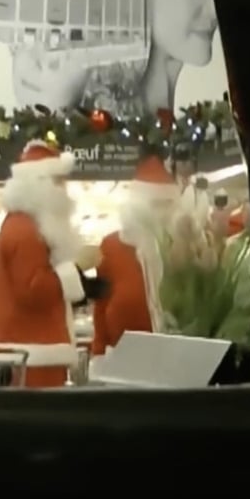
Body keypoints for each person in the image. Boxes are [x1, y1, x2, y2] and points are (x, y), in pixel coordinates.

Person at [0, 140, 107, 388]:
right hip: (31, 353)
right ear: (40, 186)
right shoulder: (25, 231)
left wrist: (85, 287)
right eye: (58, 182)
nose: (64, 190)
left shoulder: (30, 226)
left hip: (35, 349)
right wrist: (77, 267)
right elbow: (33, 290)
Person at [90, 153, 179, 369]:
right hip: (123, 361)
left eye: (167, 204)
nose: (161, 212)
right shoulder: (112, 246)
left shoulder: (181, 246)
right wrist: (99, 354)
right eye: (156, 204)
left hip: (172, 360)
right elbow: (100, 308)